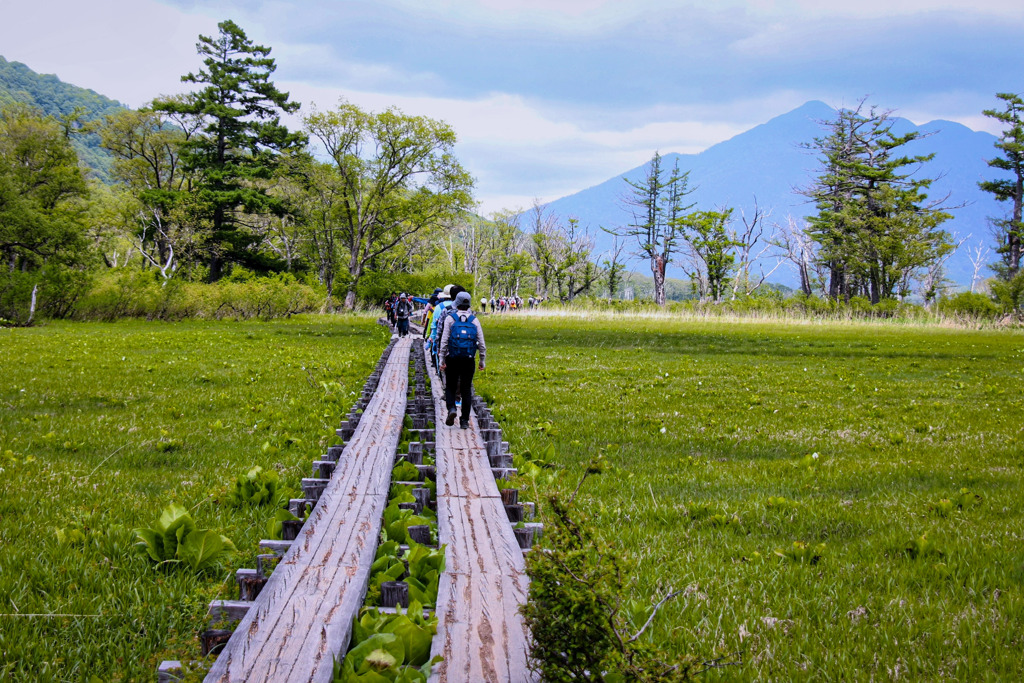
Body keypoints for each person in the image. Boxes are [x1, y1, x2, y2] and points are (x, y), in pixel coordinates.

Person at [440, 291, 486, 429]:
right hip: (468, 359)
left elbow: (444, 341)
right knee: (466, 389)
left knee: (450, 386)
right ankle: (464, 421)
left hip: (452, 358)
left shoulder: (450, 319)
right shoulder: (474, 320)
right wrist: (482, 360)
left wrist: (442, 359)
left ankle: (451, 408)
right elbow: (481, 343)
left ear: (457, 304)